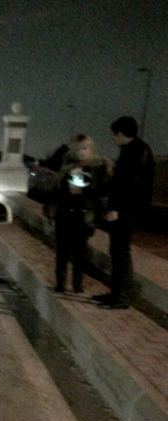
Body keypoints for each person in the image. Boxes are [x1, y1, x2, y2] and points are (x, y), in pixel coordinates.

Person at [92, 116, 155, 310]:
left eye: (113, 135)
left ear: (120, 134)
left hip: (127, 212)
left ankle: (122, 297)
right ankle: (116, 293)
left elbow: (128, 185)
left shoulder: (135, 152)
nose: (112, 139)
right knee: (117, 252)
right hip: (127, 210)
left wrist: (116, 209)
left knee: (121, 253)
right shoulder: (136, 150)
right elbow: (121, 182)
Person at [44, 134, 111, 293]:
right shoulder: (66, 167)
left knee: (80, 252)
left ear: (91, 149)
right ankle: (60, 283)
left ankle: (77, 284)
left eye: (85, 148)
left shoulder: (98, 168)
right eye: (78, 148)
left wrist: (84, 191)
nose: (81, 152)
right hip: (64, 213)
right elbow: (56, 191)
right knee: (62, 251)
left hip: (83, 215)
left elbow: (102, 192)